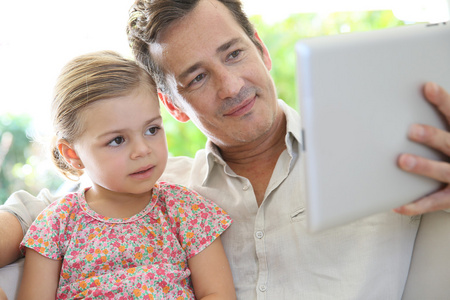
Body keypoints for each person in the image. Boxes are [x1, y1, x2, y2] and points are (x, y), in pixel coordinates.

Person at [2, 0, 450, 298]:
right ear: (171, 107)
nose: (231, 87)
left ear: (261, 49)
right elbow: (34, 213)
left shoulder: (390, 156)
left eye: (234, 53)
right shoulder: (149, 188)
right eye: (196, 77)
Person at [16, 50, 235, 299]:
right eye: (117, 140)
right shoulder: (55, 225)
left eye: (152, 129)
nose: (142, 150)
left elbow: (218, 294)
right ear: (72, 154)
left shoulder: (186, 211)